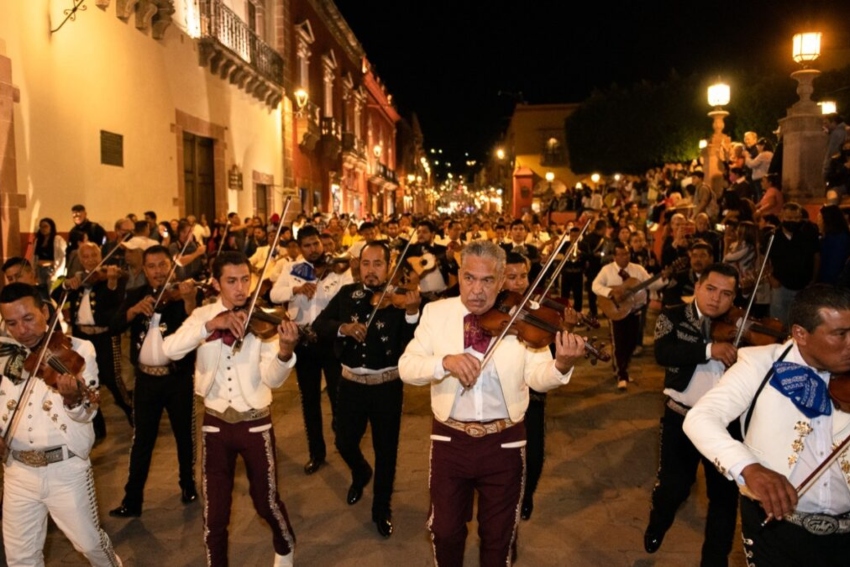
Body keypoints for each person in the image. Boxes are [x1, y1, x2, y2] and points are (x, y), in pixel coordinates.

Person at [399, 240, 586, 567]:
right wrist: (444, 362)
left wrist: (561, 365)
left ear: (502, 281)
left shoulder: (522, 317)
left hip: (505, 442)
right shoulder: (436, 313)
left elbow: (538, 376)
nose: (477, 290)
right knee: (444, 531)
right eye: (470, 278)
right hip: (450, 440)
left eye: (487, 280)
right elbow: (407, 367)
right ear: (459, 275)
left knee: (499, 537)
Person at [684, 284, 850, 567]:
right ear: (800, 334)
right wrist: (749, 468)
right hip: (776, 527)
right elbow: (701, 417)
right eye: (840, 334)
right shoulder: (759, 364)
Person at [162, 251, 299, 567]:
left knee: (265, 502)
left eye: (245, 280)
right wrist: (211, 325)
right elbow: (170, 349)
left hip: (255, 423)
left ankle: (285, 546)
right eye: (232, 281)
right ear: (215, 283)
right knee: (214, 513)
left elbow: (272, 379)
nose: (240, 289)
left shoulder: (263, 318)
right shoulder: (203, 315)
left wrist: (284, 352)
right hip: (215, 425)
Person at [0, 283, 122, 566]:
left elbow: (87, 412)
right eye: (11, 323)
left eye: (28, 319)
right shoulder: (4, 354)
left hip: (65, 469)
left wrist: (73, 398)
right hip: (18, 470)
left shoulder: (78, 349)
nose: (22, 330)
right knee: (20, 557)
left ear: (45, 312)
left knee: (90, 545)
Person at [312, 241, 421, 538]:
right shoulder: (347, 294)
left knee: (386, 451)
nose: (371, 270)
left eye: (378, 264)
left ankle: (381, 508)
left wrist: (412, 313)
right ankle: (360, 470)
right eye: (366, 264)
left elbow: (412, 344)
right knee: (343, 441)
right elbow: (320, 324)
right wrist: (343, 328)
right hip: (350, 385)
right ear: (358, 266)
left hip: (386, 386)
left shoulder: (400, 299)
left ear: (389, 266)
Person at [645, 263, 741, 566]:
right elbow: (664, 353)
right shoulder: (672, 316)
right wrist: (709, 350)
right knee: (673, 488)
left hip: (725, 426)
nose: (716, 299)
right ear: (697, 287)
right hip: (681, 418)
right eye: (710, 289)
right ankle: (659, 519)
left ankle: (714, 561)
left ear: (734, 298)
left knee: (724, 499)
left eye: (726, 294)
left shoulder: (741, 327)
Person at [108, 245, 199, 518]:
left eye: (163, 265)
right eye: (152, 266)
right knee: (141, 442)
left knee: (184, 435)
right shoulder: (137, 294)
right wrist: (133, 311)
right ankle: (132, 500)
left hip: (177, 379)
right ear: (145, 270)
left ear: (172, 265)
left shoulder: (184, 293)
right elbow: (114, 325)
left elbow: (196, 328)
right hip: (146, 381)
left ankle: (188, 484)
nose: (158, 271)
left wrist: (189, 301)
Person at [269, 225, 353, 474]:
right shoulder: (292, 269)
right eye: (307, 245)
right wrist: (295, 289)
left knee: (339, 396)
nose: (314, 249)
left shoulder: (338, 268)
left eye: (316, 243)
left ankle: (345, 445)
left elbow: (348, 298)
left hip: (330, 339)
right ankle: (316, 453)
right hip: (304, 341)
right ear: (300, 247)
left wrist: (332, 281)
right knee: (309, 399)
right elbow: (274, 295)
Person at [62, 241, 133, 438]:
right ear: (80, 259)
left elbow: (116, 299)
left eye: (94, 255)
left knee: (112, 379)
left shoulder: (107, 277)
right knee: (86, 382)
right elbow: (56, 294)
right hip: (82, 338)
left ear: (101, 256)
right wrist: (67, 284)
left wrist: (111, 281)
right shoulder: (78, 280)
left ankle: (132, 413)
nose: (90, 260)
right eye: (85, 256)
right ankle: (98, 427)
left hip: (104, 337)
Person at [593, 241, 669, 390]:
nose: (625, 257)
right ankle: (621, 374)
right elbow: (595, 286)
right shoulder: (607, 270)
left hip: (634, 311)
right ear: (614, 256)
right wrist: (611, 292)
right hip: (616, 311)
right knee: (618, 343)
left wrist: (663, 278)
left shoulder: (637, 269)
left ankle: (624, 368)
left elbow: (651, 284)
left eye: (627, 253)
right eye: (621, 254)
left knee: (631, 343)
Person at [767, 202, 820, 328]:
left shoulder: (808, 235)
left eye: (796, 218)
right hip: (780, 287)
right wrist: (771, 278)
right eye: (789, 217)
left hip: (803, 286)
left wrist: (813, 279)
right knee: (778, 324)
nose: (793, 221)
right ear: (781, 217)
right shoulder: (773, 236)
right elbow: (764, 259)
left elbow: (816, 256)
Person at [33, 217, 67, 288]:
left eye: (45, 226)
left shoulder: (58, 239)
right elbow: (35, 256)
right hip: (40, 269)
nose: (43, 229)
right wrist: (34, 270)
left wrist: (57, 272)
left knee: (51, 290)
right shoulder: (38, 240)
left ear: (51, 227)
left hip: (51, 270)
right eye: (41, 227)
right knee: (41, 290)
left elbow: (62, 257)